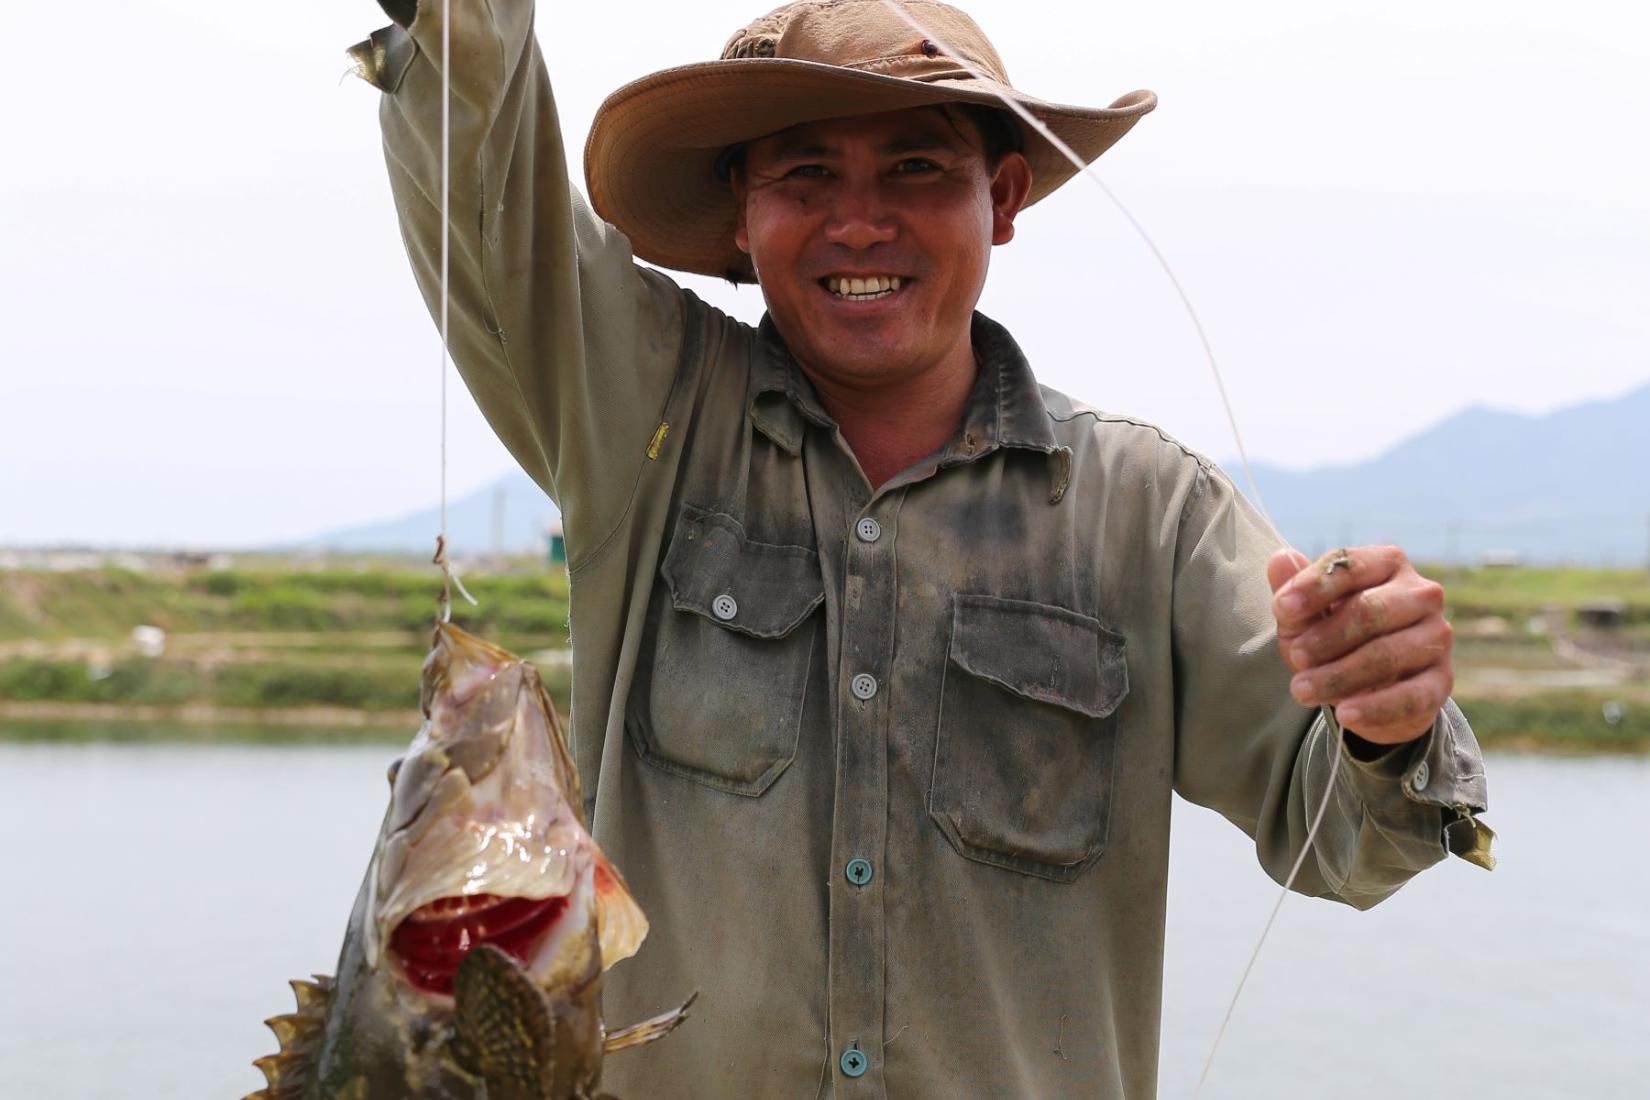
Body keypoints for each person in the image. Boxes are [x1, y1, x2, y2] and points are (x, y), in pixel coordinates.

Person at [350, 0, 1492, 1094]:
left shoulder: (1152, 510)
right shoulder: (645, 411)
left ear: (1001, 197)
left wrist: (1386, 721)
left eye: (916, 166)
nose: (859, 220)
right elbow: (491, 209)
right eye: (804, 171)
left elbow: (1344, 840)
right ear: (742, 212)